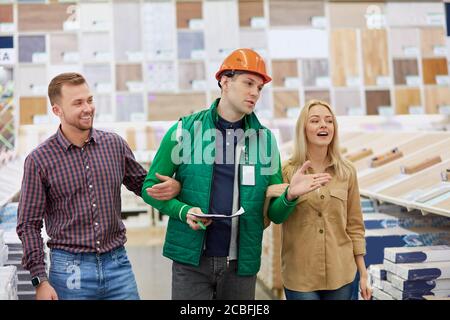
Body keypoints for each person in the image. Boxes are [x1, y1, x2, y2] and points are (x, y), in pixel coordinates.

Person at [141, 48, 332, 300]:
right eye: (248, 83)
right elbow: (149, 188)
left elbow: (273, 213)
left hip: (241, 265)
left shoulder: (264, 140)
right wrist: (183, 211)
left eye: (260, 88)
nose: (255, 92)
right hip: (191, 261)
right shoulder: (183, 131)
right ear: (225, 81)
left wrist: (290, 196)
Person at [15, 73, 178, 300]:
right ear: (57, 110)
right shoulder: (39, 160)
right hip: (70, 270)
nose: (88, 108)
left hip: (118, 264)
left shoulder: (114, 145)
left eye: (89, 100)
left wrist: (172, 189)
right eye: (78, 103)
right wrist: (39, 280)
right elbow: (28, 224)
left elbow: (143, 184)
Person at [268, 99, 372, 300]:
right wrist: (290, 194)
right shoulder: (286, 170)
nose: (324, 125)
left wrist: (363, 274)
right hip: (300, 276)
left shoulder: (346, 171)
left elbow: (355, 225)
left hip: (342, 274)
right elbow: (275, 216)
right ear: (303, 129)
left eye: (329, 121)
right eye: (315, 121)